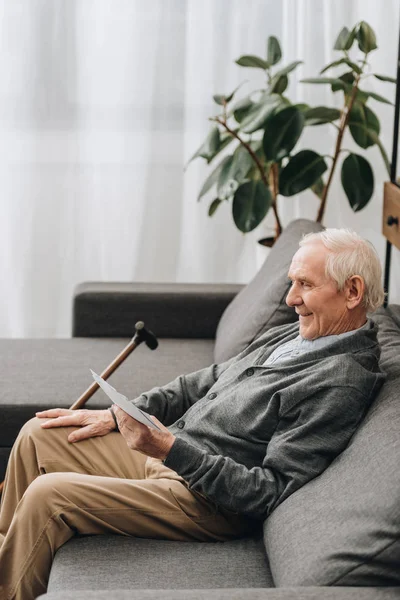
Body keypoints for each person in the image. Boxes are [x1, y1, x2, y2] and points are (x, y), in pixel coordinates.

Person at [0, 229, 386, 600]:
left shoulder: (339, 381)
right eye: (292, 282)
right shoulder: (301, 333)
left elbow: (269, 491)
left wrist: (170, 449)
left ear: (352, 291)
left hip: (205, 501)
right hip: (172, 454)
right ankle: (7, 550)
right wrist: (121, 415)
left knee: (49, 497)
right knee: (39, 433)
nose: (290, 299)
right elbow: (208, 379)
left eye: (305, 284)